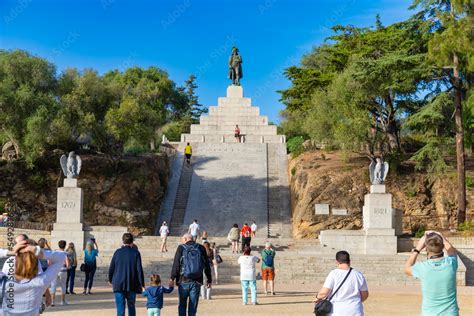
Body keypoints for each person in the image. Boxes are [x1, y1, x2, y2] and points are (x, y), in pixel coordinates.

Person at [0, 240, 67, 315]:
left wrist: (10, 252)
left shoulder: (2, 282)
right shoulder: (41, 282)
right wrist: (39, 252)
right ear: (36, 261)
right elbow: (62, 257)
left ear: (15, 258)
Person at [404, 231, 459, 315]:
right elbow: (452, 251)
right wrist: (441, 236)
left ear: (425, 248)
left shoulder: (422, 268)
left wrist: (417, 249)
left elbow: (407, 268)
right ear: (443, 246)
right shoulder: (451, 263)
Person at [314, 251, 369, 316]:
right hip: (355, 310)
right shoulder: (358, 275)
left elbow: (324, 293)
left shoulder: (334, 274)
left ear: (337, 262)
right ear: (349, 261)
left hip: (337, 310)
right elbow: (365, 295)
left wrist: (317, 297)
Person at [169, 233, 212, 316]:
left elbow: (176, 264)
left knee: (182, 305)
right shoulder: (201, 247)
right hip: (197, 281)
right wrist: (209, 280)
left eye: (182, 240)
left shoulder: (181, 248)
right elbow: (206, 265)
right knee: (193, 307)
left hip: (183, 280)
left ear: (185, 239)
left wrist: (172, 278)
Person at [109, 233, 145, 316]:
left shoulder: (117, 252)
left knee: (120, 308)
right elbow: (139, 270)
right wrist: (142, 284)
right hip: (131, 282)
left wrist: (110, 279)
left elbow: (112, 267)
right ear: (132, 241)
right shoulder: (135, 253)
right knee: (131, 307)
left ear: (123, 241)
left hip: (118, 282)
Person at [51, 240, 70, 306]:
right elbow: (68, 265)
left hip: (55, 270)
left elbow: (50, 262)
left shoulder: (54, 252)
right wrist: (68, 267)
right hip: (63, 270)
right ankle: (63, 301)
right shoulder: (65, 253)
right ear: (64, 246)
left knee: (53, 285)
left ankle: (53, 301)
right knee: (63, 285)